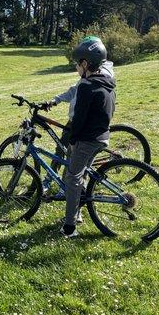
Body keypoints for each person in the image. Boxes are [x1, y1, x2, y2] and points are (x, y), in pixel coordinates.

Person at [58, 36, 116, 238]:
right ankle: (78, 212)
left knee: (72, 178)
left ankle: (69, 227)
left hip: (87, 139)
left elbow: (79, 118)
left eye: (77, 63)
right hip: (102, 137)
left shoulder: (85, 86)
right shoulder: (107, 83)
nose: (76, 67)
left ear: (85, 64)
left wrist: (72, 140)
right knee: (81, 174)